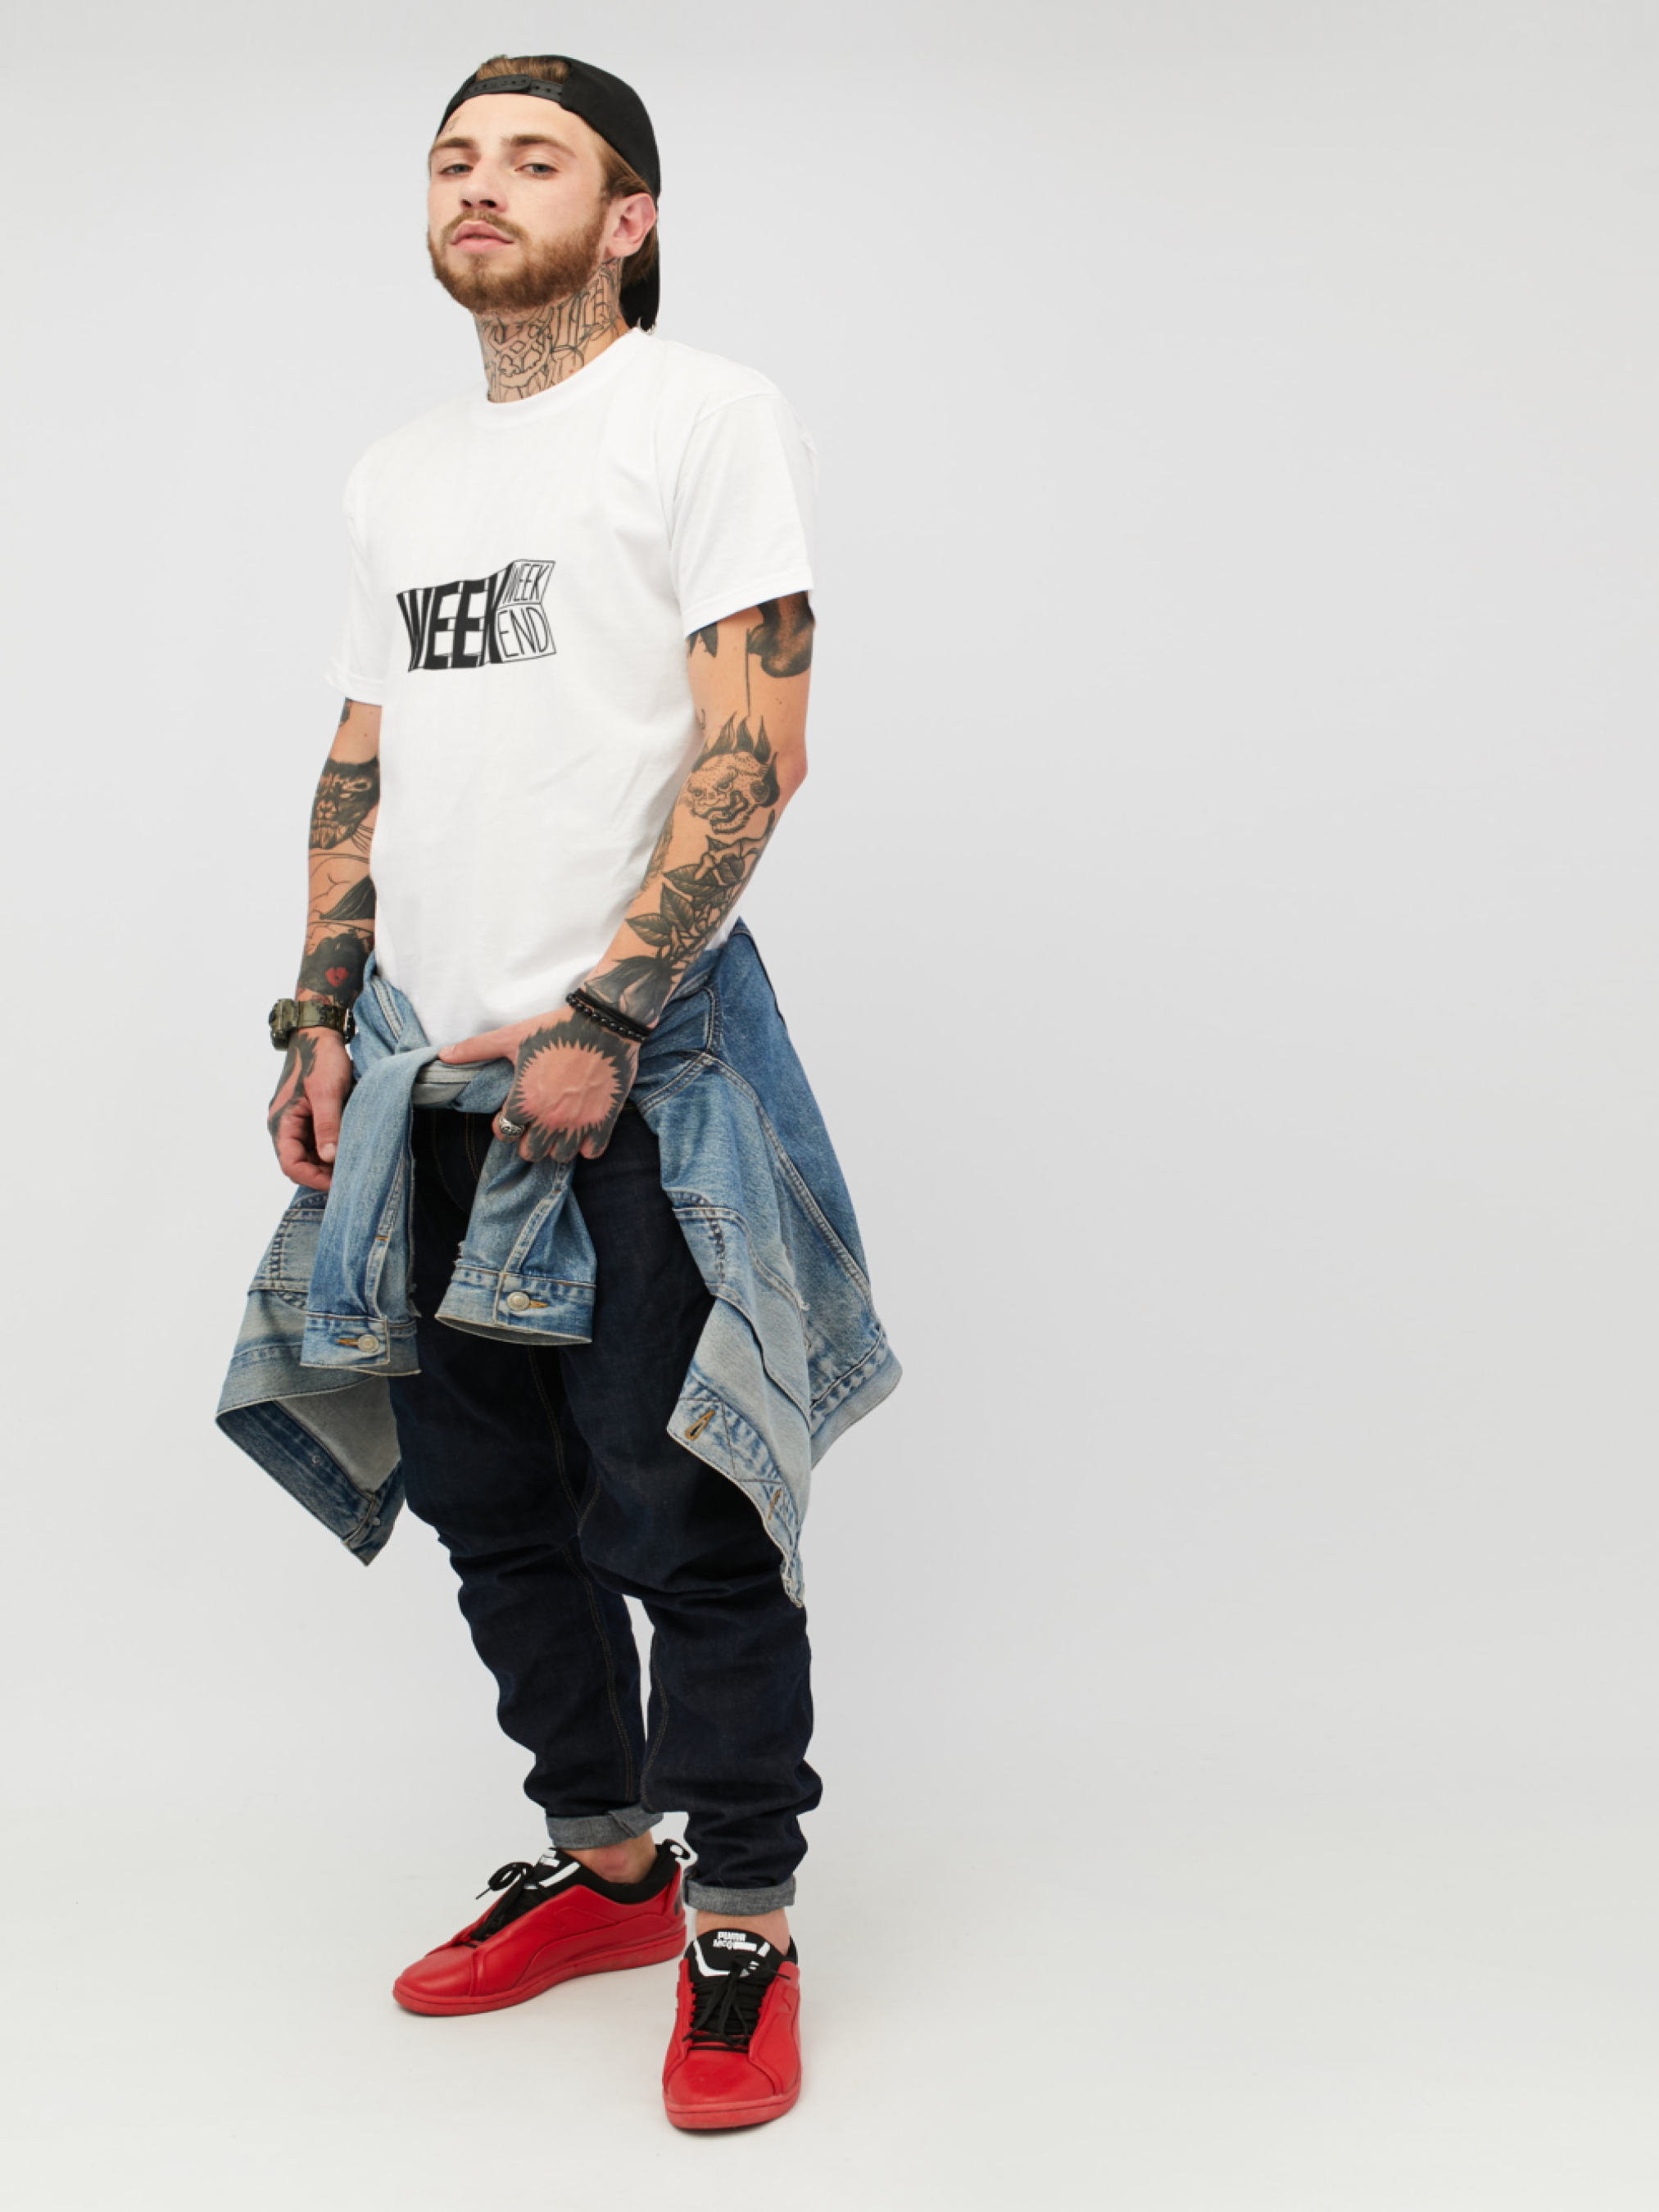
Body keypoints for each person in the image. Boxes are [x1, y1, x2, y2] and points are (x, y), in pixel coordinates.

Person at [238, 52, 899, 2132]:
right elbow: (362, 759)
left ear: (627, 217)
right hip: (427, 1075)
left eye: (534, 159)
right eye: (452, 157)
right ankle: (612, 1873)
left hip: (637, 1065)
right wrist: (320, 1011)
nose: (479, 185)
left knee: (682, 1507)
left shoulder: (700, 415)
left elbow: (755, 743)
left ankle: (742, 1923)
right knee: (490, 1509)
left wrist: (609, 1012)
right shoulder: (397, 474)